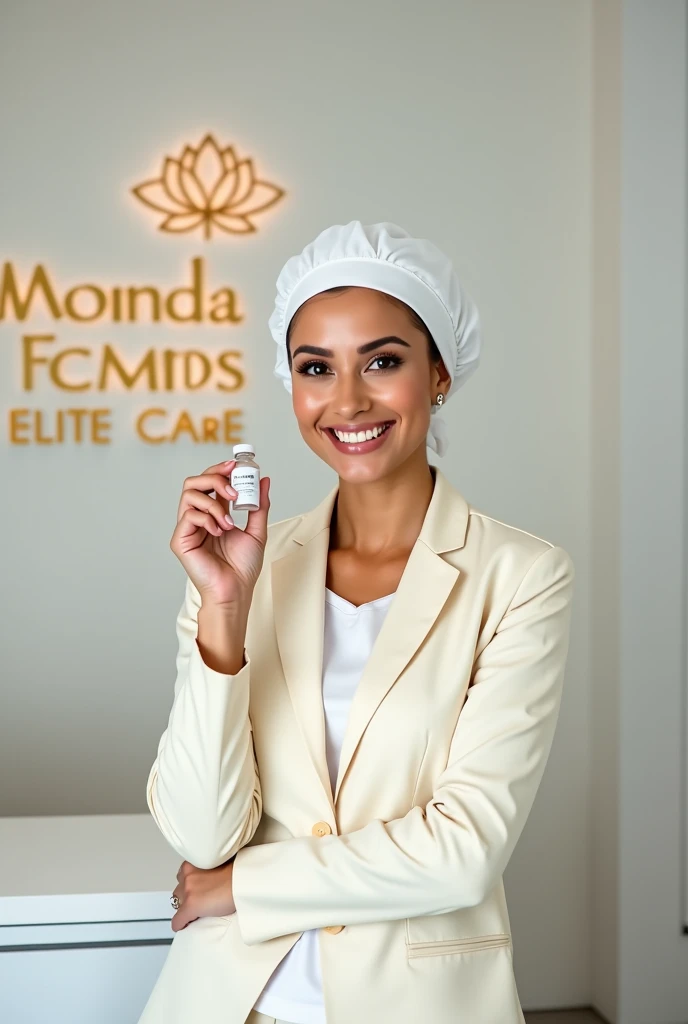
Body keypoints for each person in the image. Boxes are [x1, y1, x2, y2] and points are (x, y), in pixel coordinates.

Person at [138, 221, 575, 1024]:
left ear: (438, 373)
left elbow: (463, 853)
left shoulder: (520, 576)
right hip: (230, 1002)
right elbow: (204, 834)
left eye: (382, 360)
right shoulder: (248, 568)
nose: (347, 400)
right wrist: (223, 613)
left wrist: (244, 883)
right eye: (316, 368)